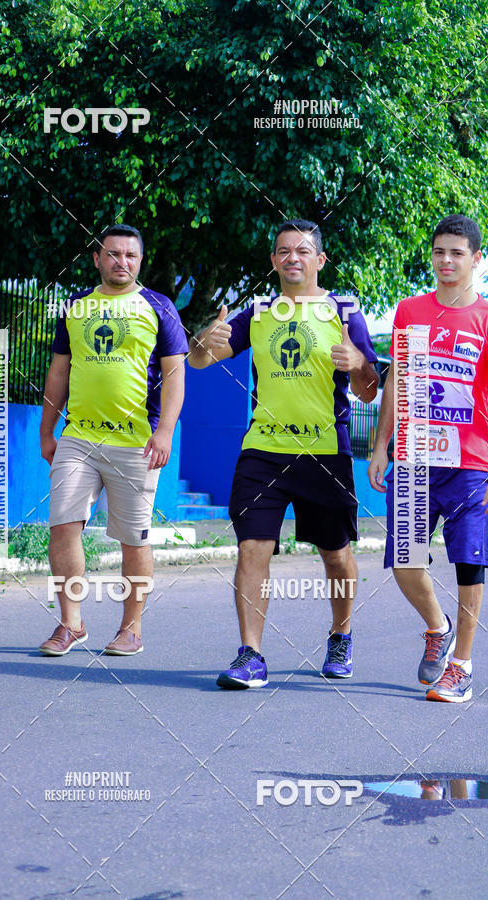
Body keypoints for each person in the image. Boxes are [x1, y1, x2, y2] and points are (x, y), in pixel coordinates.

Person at [188, 219, 378, 688]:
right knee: (253, 547)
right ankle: (250, 654)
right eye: (282, 250)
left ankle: (341, 635)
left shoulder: (344, 311)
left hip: (324, 452)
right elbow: (199, 361)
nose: (292, 256)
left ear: (320, 260)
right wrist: (201, 342)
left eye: (302, 249)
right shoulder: (257, 312)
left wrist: (357, 364)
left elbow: (370, 391)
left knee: (335, 556)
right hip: (263, 450)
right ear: (273, 261)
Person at [368, 214, 488, 702]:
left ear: (476, 260)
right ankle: (437, 626)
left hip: (471, 460)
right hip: (414, 456)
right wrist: (381, 445)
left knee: (469, 561)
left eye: (457, 253)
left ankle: (461, 666)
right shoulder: (410, 311)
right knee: (405, 562)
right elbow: (396, 381)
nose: (447, 261)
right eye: (439, 251)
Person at [38, 224, 187, 657]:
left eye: (130, 256)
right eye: (113, 254)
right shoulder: (77, 308)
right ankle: (71, 623)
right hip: (79, 438)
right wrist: (47, 430)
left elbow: (176, 375)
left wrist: (164, 433)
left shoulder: (159, 307)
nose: (121, 261)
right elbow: (59, 372)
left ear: (140, 262)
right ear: (97, 259)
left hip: (137, 443)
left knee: (133, 538)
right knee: (63, 527)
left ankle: (131, 628)